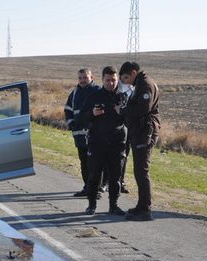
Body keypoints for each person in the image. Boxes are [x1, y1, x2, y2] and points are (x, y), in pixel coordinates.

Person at [79, 66, 128, 216]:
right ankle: (91, 205)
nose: (111, 83)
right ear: (102, 80)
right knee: (94, 175)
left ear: (117, 79)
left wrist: (123, 112)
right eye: (108, 80)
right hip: (97, 142)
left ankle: (114, 205)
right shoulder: (94, 96)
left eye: (114, 80)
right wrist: (92, 113)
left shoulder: (123, 97)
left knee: (115, 176)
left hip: (117, 143)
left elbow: (131, 118)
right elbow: (81, 118)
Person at [115, 62, 161, 221]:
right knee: (139, 171)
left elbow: (142, 109)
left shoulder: (145, 84)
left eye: (126, 77)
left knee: (142, 171)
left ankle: (145, 209)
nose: (125, 81)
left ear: (134, 72)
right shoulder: (140, 83)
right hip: (140, 131)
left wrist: (123, 110)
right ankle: (141, 206)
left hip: (145, 132)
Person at [64, 68, 100, 197]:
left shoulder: (98, 91)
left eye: (85, 77)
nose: (82, 80)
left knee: (95, 163)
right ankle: (87, 188)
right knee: (84, 163)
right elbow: (67, 109)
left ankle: (96, 189)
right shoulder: (74, 93)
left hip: (95, 135)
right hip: (79, 135)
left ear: (91, 77)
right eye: (80, 78)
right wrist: (71, 123)